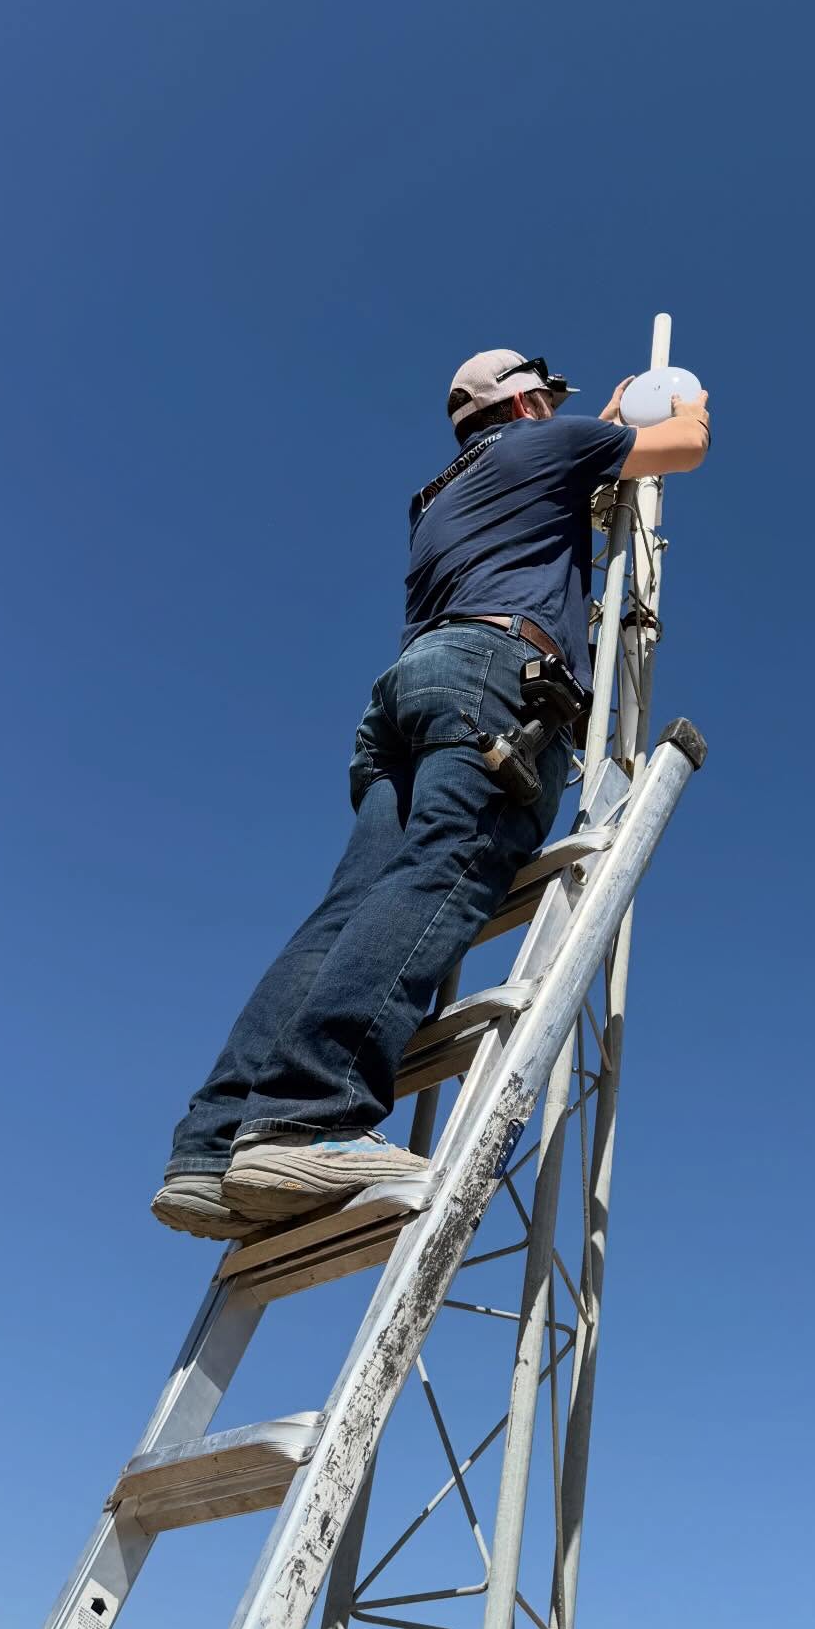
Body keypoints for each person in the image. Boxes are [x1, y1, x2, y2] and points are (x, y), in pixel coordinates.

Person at [151, 348, 711, 1238]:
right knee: (454, 860)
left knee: (347, 909)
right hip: (493, 678)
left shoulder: (446, 491)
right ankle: (305, 1117)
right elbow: (680, 445)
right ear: (529, 401)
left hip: (409, 690)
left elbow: (580, 474)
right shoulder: (545, 447)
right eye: (549, 400)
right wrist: (688, 401)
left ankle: (212, 1145)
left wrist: (596, 427)